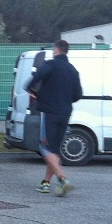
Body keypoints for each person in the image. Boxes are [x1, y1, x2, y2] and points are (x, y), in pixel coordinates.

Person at [27, 40, 82, 196]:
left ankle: (62, 178)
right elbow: (78, 94)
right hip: (65, 113)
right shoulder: (73, 70)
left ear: (56, 50)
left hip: (50, 112)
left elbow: (34, 78)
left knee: (45, 147)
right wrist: (64, 99)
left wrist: (33, 92)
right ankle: (46, 183)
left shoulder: (50, 65)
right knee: (54, 150)